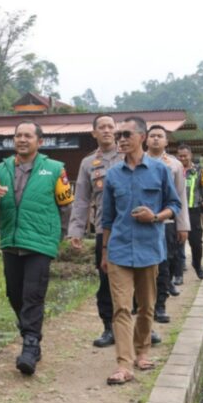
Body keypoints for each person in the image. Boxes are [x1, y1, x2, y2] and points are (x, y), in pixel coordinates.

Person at [0, 121, 74, 376]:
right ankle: (31, 336)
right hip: (11, 240)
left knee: (33, 294)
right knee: (14, 293)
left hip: (41, 242)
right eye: (18, 135)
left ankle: (30, 347)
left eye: (28, 136)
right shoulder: (1, 168)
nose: (22, 139)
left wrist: (63, 235)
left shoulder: (55, 169)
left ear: (39, 141)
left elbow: (66, 205)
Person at [68, 114, 159, 348]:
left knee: (142, 278)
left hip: (138, 228)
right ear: (94, 133)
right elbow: (81, 199)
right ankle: (109, 327)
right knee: (107, 279)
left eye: (112, 127)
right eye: (102, 127)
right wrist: (76, 229)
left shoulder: (131, 155)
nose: (108, 131)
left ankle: (144, 327)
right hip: (105, 230)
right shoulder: (88, 163)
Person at [101, 116, 180, 384]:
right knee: (121, 309)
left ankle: (142, 351)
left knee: (146, 307)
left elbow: (174, 205)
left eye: (126, 134)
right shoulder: (112, 175)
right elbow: (107, 220)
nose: (120, 139)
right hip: (119, 250)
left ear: (142, 137)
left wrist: (156, 216)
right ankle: (124, 365)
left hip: (149, 248)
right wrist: (104, 252)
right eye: (118, 135)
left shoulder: (160, 171)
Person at [144, 125, 190, 323]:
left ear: (166, 142)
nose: (155, 139)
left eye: (159, 136)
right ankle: (142, 304)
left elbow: (180, 197)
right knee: (143, 265)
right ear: (146, 140)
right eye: (152, 136)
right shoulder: (136, 161)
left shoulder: (174, 164)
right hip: (142, 223)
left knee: (164, 265)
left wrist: (183, 226)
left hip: (166, 222)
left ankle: (160, 306)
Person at [176, 144, 203, 281]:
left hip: (193, 211)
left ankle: (197, 266)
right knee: (176, 243)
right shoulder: (173, 169)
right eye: (180, 156)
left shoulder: (200, 171)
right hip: (176, 211)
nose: (182, 158)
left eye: (185, 156)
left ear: (191, 155)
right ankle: (178, 273)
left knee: (196, 243)